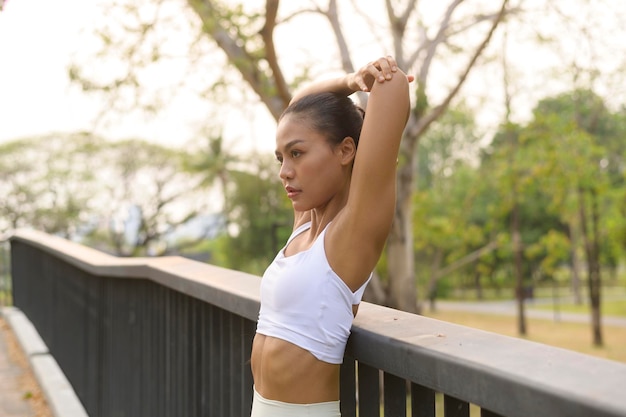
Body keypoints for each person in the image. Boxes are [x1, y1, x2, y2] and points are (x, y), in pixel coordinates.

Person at [250, 56, 411, 416]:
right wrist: (351, 80)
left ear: (346, 150)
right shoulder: (305, 223)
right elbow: (300, 106)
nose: (284, 172)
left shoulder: (351, 234)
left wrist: (383, 75)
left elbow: (394, 89)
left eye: (297, 153)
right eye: (281, 158)